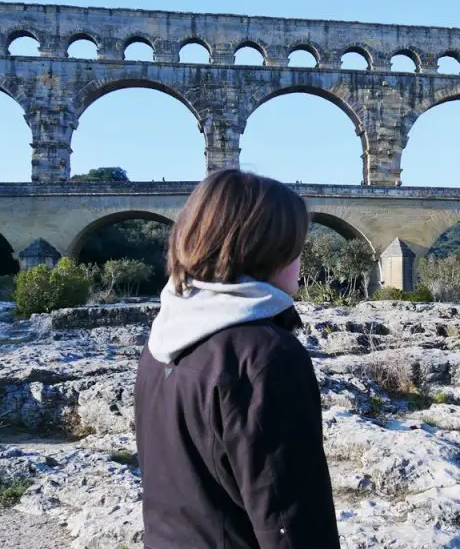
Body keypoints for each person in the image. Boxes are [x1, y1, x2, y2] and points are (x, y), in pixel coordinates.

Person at [134, 169, 340, 549]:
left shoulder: (162, 339)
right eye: (296, 246)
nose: (300, 259)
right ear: (266, 250)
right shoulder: (265, 357)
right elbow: (291, 520)